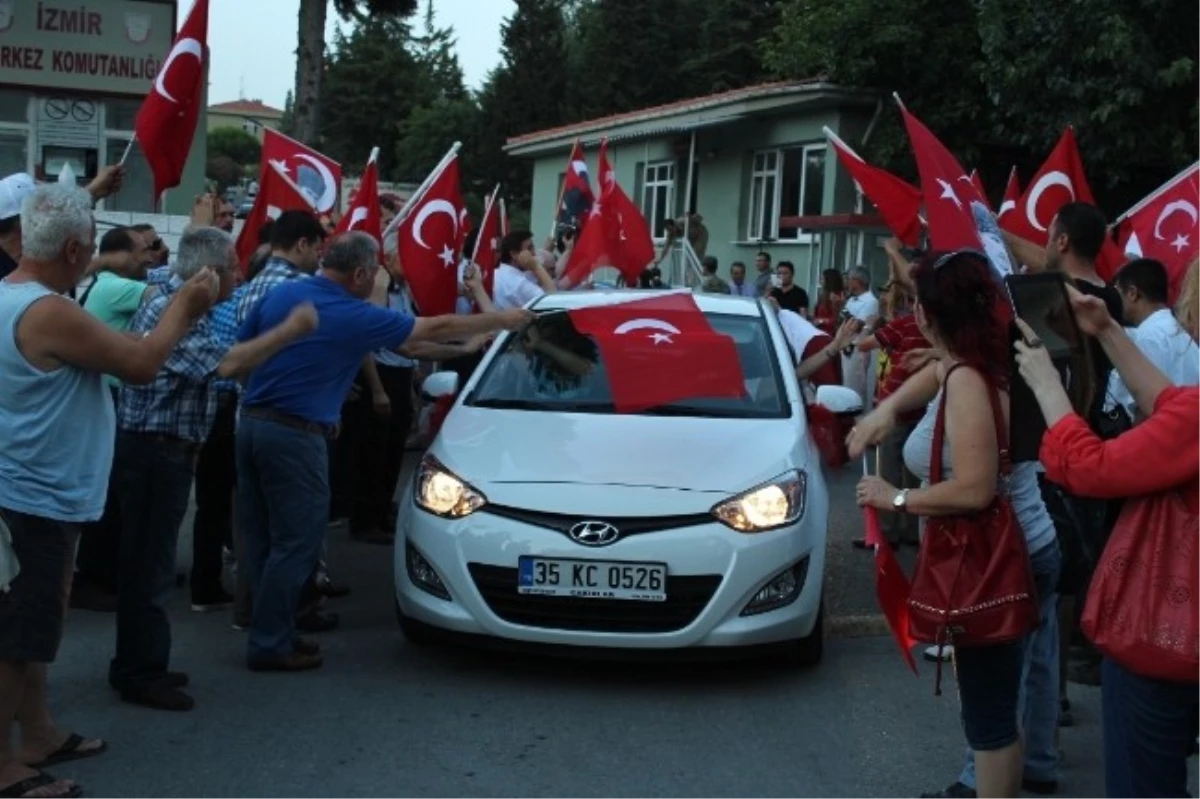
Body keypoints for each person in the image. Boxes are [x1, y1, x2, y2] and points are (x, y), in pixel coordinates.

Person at [235, 232, 533, 672]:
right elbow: (430, 327)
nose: (377, 280)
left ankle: (270, 627)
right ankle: (271, 642)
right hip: (295, 437)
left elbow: (409, 346)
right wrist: (501, 320)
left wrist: (463, 349)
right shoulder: (348, 310)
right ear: (357, 274)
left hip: (255, 423)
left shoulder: (285, 295)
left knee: (263, 538)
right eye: (374, 273)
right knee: (295, 543)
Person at [0, 182, 210, 799]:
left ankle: (37, 732)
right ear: (69, 248)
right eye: (89, 244)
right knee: (17, 638)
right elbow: (142, 364)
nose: (93, 253)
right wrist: (187, 304)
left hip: (34, 490)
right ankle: (5, 767)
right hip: (32, 496)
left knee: (33, 629)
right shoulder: (48, 310)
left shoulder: (16, 296)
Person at [852, 250, 1059, 799]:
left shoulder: (968, 378)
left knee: (990, 722)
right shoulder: (974, 360)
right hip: (1024, 545)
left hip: (997, 558)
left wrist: (894, 497)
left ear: (925, 314)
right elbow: (937, 373)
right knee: (1004, 700)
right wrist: (884, 413)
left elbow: (975, 488)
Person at [1014, 287, 1200, 799]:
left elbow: (1087, 467)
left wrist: (1048, 386)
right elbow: (1172, 403)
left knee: (1146, 785)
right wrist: (1107, 331)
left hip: (1162, 643)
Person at [1104, 258, 1200, 421]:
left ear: (1132, 293)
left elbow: (1145, 406)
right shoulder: (1180, 332)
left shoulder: (1149, 337)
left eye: (1117, 292)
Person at [841, 265, 880, 410]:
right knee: (847, 383)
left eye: (849, 279)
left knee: (858, 388)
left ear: (858, 281)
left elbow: (857, 325)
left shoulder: (870, 301)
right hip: (845, 347)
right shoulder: (851, 300)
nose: (847, 283)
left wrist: (846, 316)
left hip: (859, 349)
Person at [492, 230, 556, 311]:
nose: (533, 253)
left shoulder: (495, 273)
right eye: (529, 248)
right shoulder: (519, 283)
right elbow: (552, 300)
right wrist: (536, 266)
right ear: (514, 254)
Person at [812, 268, 845, 335]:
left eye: (822, 279)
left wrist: (821, 321)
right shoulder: (824, 295)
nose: (820, 281)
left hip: (829, 333)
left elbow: (836, 319)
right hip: (819, 331)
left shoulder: (835, 297)